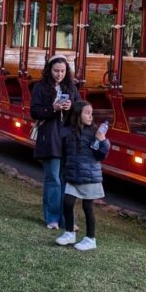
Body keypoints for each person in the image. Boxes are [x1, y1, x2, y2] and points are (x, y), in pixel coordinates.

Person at [30, 56, 80, 229]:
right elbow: (34, 112)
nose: (59, 74)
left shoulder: (71, 88)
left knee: (66, 179)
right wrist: (53, 108)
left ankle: (68, 220)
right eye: (56, 71)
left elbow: (80, 110)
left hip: (67, 137)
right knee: (53, 179)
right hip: (49, 136)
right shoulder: (40, 87)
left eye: (63, 71)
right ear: (49, 70)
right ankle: (52, 218)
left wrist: (70, 107)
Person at [55, 101, 109, 251]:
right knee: (67, 202)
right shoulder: (69, 132)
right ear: (78, 114)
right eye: (87, 113)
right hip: (73, 175)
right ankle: (69, 233)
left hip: (89, 176)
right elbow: (65, 152)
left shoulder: (94, 133)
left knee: (87, 207)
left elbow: (101, 155)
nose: (90, 116)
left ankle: (91, 238)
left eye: (91, 114)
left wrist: (103, 141)